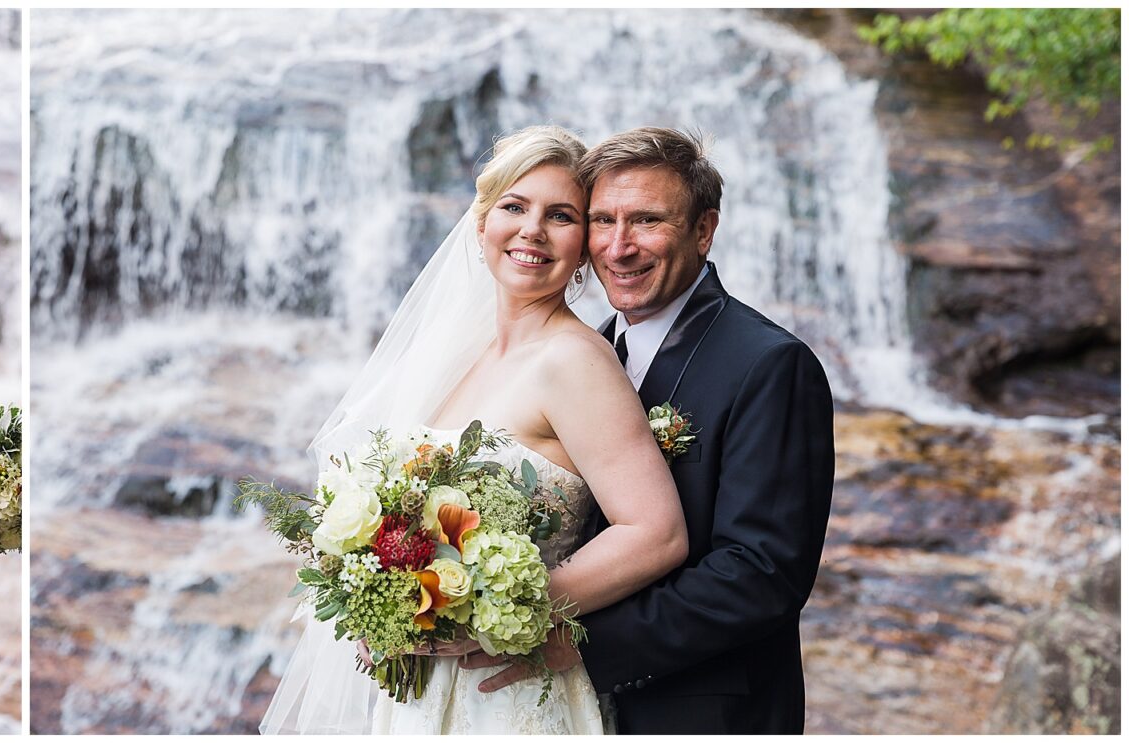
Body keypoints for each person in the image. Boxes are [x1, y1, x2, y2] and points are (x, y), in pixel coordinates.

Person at [260, 125, 688, 734]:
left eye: (561, 215)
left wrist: (498, 613)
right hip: (417, 692)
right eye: (514, 207)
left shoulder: (574, 360)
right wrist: (379, 607)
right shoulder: (460, 354)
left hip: (502, 693)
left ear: (585, 243)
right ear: (481, 222)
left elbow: (656, 532)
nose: (532, 231)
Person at [466, 127, 836, 734]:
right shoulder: (585, 351)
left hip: (698, 710)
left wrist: (581, 646)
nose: (619, 247)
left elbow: (762, 573)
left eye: (647, 221)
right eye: (603, 221)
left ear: (703, 230)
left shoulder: (767, 364)